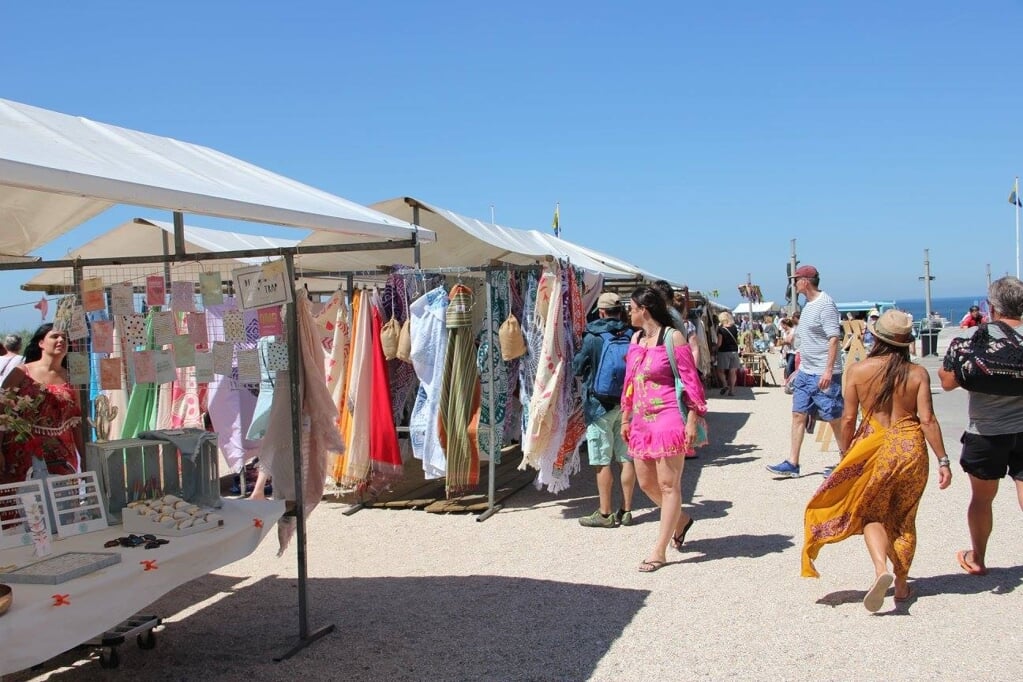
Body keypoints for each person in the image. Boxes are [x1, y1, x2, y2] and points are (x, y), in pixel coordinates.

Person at [802, 310, 952, 611]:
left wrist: (847, 455)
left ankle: (880, 569)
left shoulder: (857, 371)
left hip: (874, 449)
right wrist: (944, 460)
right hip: (910, 448)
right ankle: (901, 584)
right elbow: (928, 420)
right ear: (905, 342)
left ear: (876, 337)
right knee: (904, 517)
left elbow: (846, 420)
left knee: (872, 512)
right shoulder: (917, 373)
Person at [938, 276, 1023, 577]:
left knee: (983, 499)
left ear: (992, 306)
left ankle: (978, 559)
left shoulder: (974, 338)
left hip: (986, 432)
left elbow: (947, 384)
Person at [620, 286, 707, 572]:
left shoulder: (673, 337)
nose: (628, 313)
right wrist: (625, 416)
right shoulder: (635, 338)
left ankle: (659, 550)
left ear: (644, 310)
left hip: (669, 416)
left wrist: (693, 417)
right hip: (641, 420)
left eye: (631, 308)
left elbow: (690, 379)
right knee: (646, 483)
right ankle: (681, 520)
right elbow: (630, 380)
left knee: (669, 484)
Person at [767, 265, 847, 478]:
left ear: (806, 281)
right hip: (806, 371)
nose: (793, 283)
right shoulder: (808, 305)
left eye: (796, 279)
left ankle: (846, 459)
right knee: (798, 414)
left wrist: (828, 371)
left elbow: (833, 339)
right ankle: (793, 462)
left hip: (823, 371)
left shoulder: (825, 304)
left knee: (833, 416)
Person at [572, 292, 637, 528]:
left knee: (602, 461)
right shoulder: (632, 334)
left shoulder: (593, 336)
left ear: (600, 312)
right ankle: (627, 510)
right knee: (626, 458)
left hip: (598, 405)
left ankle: (605, 512)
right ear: (620, 310)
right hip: (627, 404)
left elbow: (577, 368)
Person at [0, 324, 84, 484]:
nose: (61, 340)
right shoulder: (21, 373)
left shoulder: (73, 379)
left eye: (65, 338)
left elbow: (77, 423)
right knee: (25, 504)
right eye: (55, 336)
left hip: (62, 456)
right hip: (22, 452)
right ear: (41, 343)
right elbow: (1, 412)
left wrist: (85, 458)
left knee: (62, 503)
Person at [714, 311, 740, 396]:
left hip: (724, 352)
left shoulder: (721, 329)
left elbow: (719, 343)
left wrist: (714, 348)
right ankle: (731, 391)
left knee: (720, 371)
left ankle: (725, 385)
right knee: (732, 372)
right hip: (734, 351)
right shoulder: (734, 328)